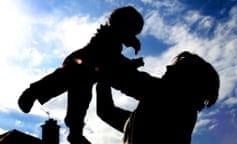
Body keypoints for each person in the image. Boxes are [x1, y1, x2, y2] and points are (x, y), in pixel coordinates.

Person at [17, 6, 144, 144]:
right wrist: (130, 63)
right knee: (69, 87)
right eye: (131, 32)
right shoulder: (106, 38)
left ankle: (75, 133)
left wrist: (130, 58)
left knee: (80, 100)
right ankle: (32, 92)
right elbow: (111, 58)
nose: (131, 36)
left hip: (87, 73)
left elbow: (113, 60)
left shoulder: (113, 38)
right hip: (78, 64)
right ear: (120, 25)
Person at [96, 51, 220, 144]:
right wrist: (103, 81)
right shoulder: (149, 117)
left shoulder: (174, 99)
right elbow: (106, 112)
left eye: (177, 67)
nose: (168, 67)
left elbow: (129, 79)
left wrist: (106, 53)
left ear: (188, 79)